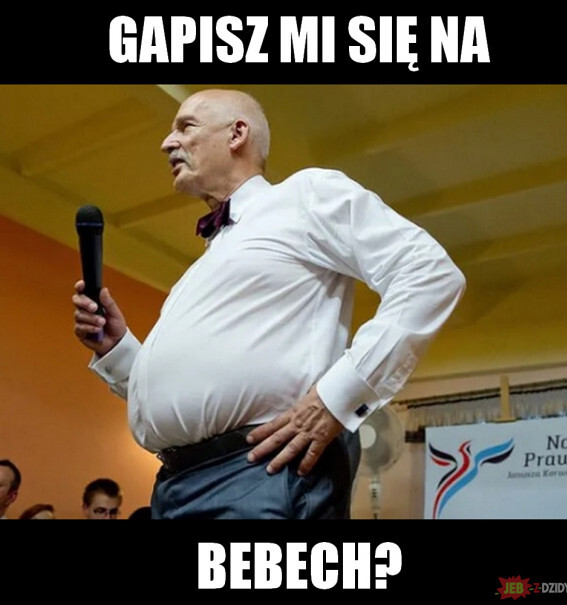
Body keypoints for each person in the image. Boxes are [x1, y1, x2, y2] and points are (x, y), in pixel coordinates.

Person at [72, 88, 466, 520]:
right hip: (174, 484)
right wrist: (118, 350)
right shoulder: (203, 265)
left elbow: (428, 273)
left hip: (263, 472)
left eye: (186, 127)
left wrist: (336, 399)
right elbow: (195, 395)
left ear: (237, 133)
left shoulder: (305, 195)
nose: (168, 143)